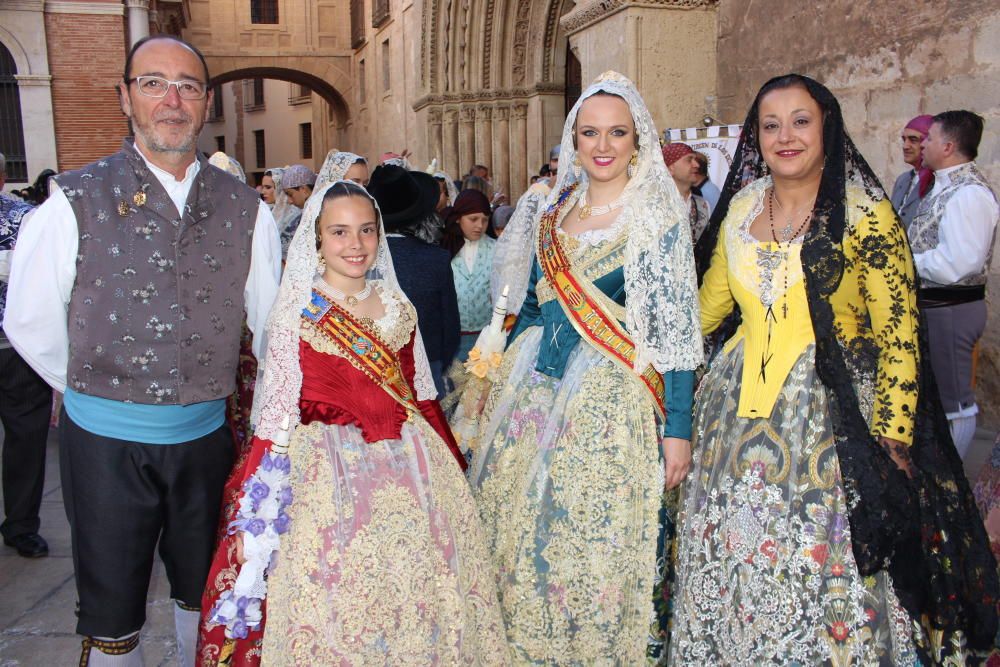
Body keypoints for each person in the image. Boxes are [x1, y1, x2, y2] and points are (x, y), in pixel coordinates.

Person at [671, 74, 998, 665]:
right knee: (733, 541)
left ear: (827, 127)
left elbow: (899, 335)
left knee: (818, 550)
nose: (785, 136)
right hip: (733, 413)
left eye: (800, 121)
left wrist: (895, 435)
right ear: (755, 137)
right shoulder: (743, 206)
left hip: (832, 413)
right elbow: (710, 307)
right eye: (770, 125)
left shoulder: (866, 215)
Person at [3, 35, 281, 666]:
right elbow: (31, 320)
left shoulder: (247, 210)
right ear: (125, 97)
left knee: (205, 595)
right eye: (153, 83)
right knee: (112, 614)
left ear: (206, 101)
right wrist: (100, 392)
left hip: (207, 441)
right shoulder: (74, 200)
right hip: (104, 448)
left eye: (187, 85)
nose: (172, 100)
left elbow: (270, 329)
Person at [197, 180, 508, 665]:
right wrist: (251, 507)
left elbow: (421, 396)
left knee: (420, 585)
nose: (355, 245)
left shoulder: (397, 304)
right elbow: (276, 412)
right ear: (316, 239)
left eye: (366, 230)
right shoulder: (296, 311)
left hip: (412, 466)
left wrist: (453, 468)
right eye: (339, 232)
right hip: (325, 474)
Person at [470, 71, 702, 663]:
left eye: (616, 133)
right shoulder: (554, 210)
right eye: (590, 132)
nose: (602, 146)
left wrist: (678, 427)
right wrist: (494, 368)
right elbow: (531, 302)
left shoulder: (657, 217)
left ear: (636, 142)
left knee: (587, 533)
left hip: (610, 400)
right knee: (520, 524)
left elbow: (675, 332)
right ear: (573, 141)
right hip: (533, 387)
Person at [910, 110, 998, 459]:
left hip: (951, 309)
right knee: (936, 397)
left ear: (947, 146)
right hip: (935, 307)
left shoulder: (970, 194)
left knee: (954, 402)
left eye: (929, 138)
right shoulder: (942, 186)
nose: (923, 144)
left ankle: (954, 480)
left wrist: (904, 262)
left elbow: (960, 263)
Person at [367, 165, 461, 396]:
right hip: (427, 366)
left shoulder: (357, 259)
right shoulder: (436, 259)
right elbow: (450, 325)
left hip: (372, 368)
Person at [0, 152, 52, 560]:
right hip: (16, 344)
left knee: (26, 439)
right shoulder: (27, 216)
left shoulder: (25, 218)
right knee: (24, 439)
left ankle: (21, 524)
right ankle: (20, 526)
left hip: (17, 348)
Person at [440, 189, 497, 363]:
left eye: (485, 220)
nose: (479, 225)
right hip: (450, 339)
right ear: (458, 218)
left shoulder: (497, 249)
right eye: (473, 219)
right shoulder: (444, 247)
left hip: (486, 339)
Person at [890, 115, 935, 231]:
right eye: (904, 140)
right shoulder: (903, 180)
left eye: (913, 140)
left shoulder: (937, 182)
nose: (905, 146)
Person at [663, 142, 712, 242]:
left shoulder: (703, 205)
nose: (697, 165)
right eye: (689, 160)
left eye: (695, 160)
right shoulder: (655, 206)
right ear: (671, 168)